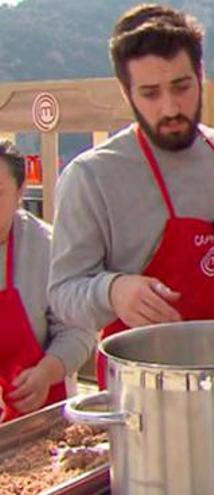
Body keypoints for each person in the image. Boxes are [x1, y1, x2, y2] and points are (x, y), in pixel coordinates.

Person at [48, 4, 214, 389]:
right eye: (150, 93)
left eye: (181, 87)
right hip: (140, 390)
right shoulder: (92, 176)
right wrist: (113, 290)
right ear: (126, 93)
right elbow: (62, 292)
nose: (170, 107)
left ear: (201, 75)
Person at [0, 142, 94, 422]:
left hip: (40, 416)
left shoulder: (48, 248)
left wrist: (46, 373)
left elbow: (79, 330)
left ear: (20, 192)